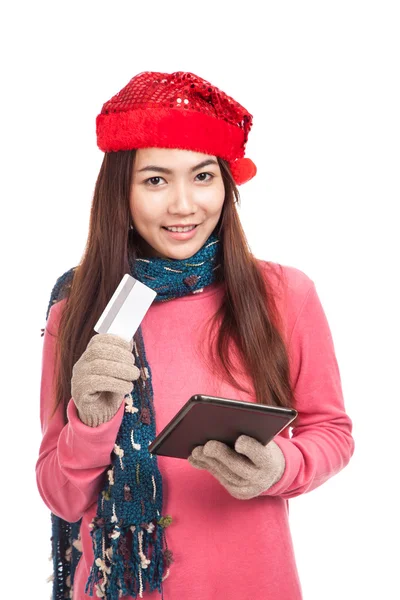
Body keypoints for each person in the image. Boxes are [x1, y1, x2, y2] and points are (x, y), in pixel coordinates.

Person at [36, 70, 355, 600]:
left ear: (227, 185)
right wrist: (90, 422)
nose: (184, 205)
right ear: (121, 190)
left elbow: (332, 431)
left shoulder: (284, 294)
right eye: (156, 180)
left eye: (203, 177)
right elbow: (60, 496)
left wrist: (281, 467)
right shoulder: (78, 308)